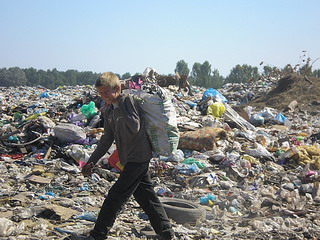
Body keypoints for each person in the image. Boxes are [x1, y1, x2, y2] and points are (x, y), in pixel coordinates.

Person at [65, 72, 175, 240]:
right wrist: (91, 161)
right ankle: (166, 233)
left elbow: (135, 126)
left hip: (138, 158)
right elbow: (107, 139)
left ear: (117, 88)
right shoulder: (109, 111)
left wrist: (119, 106)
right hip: (129, 159)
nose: (103, 96)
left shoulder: (127, 102)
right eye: (100, 93)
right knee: (146, 198)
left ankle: (97, 235)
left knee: (114, 198)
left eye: (106, 92)